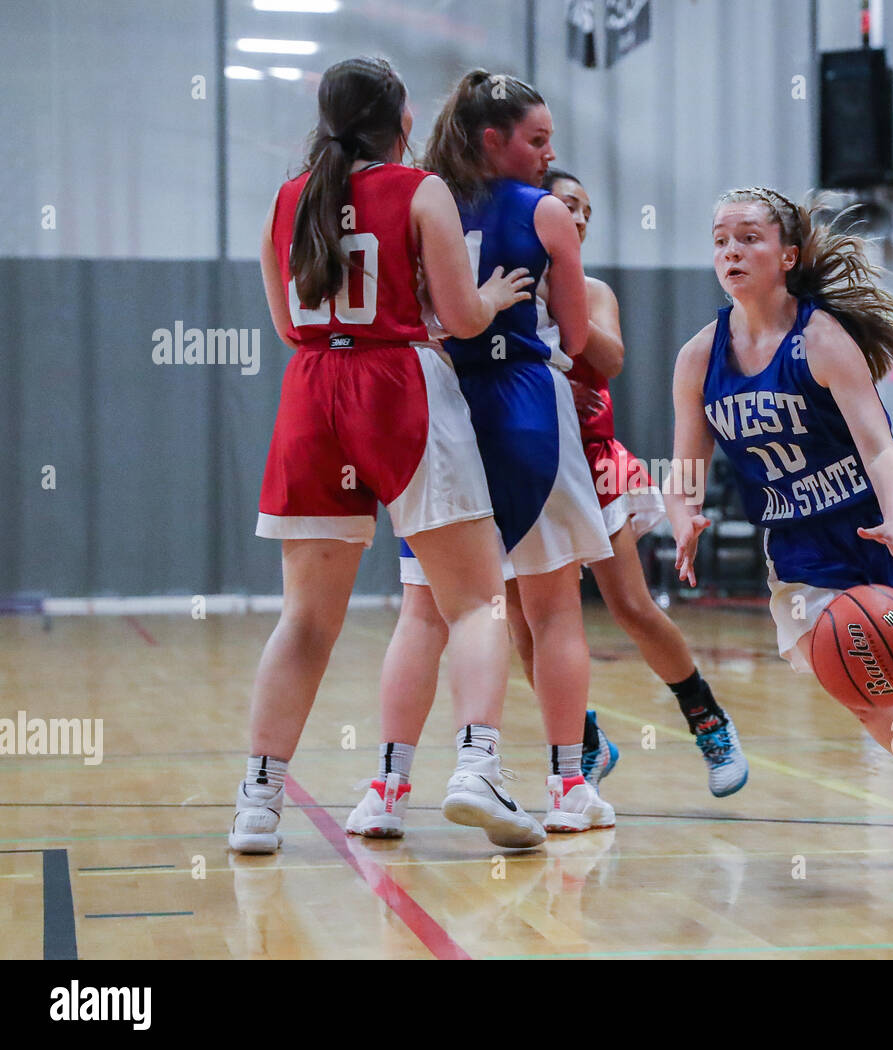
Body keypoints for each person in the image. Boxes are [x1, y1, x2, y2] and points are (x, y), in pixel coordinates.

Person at [666, 186, 893, 875]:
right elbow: (684, 467)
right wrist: (682, 512)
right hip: (805, 548)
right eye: (720, 239)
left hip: (885, 520)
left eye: (747, 238)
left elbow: (878, 448)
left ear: (787, 254)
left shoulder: (822, 339)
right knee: (862, 686)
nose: (730, 251)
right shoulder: (699, 356)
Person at [231, 57, 537, 854]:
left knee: (304, 618)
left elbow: (283, 321)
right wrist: (494, 300)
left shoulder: (284, 200)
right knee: (474, 601)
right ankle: (477, 768)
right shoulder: (419, 188)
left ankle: (258, 804)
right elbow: (464, 318)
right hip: (398, 384)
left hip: (311, 392)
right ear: (402, 122)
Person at [384, 71, 617, 834]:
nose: (550, 155)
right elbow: (579, 342)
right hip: (526, 405)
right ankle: (567, 788)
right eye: (538, 139)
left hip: (444, 405)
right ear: (495, 139)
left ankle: (386, 790)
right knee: (552, 608)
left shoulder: (427, 202)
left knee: (427, 608)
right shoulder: (545, 211)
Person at [501, 167, 748, 796]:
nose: (578, 216)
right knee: (522, 622)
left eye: (586, 208)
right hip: (521, 463)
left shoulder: (590, 289)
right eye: (566, 205)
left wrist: (558, 328)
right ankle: (585, 742)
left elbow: (608, 358)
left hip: (592, 462)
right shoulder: (505, 286)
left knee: (631, 606)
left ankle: (708, 721)